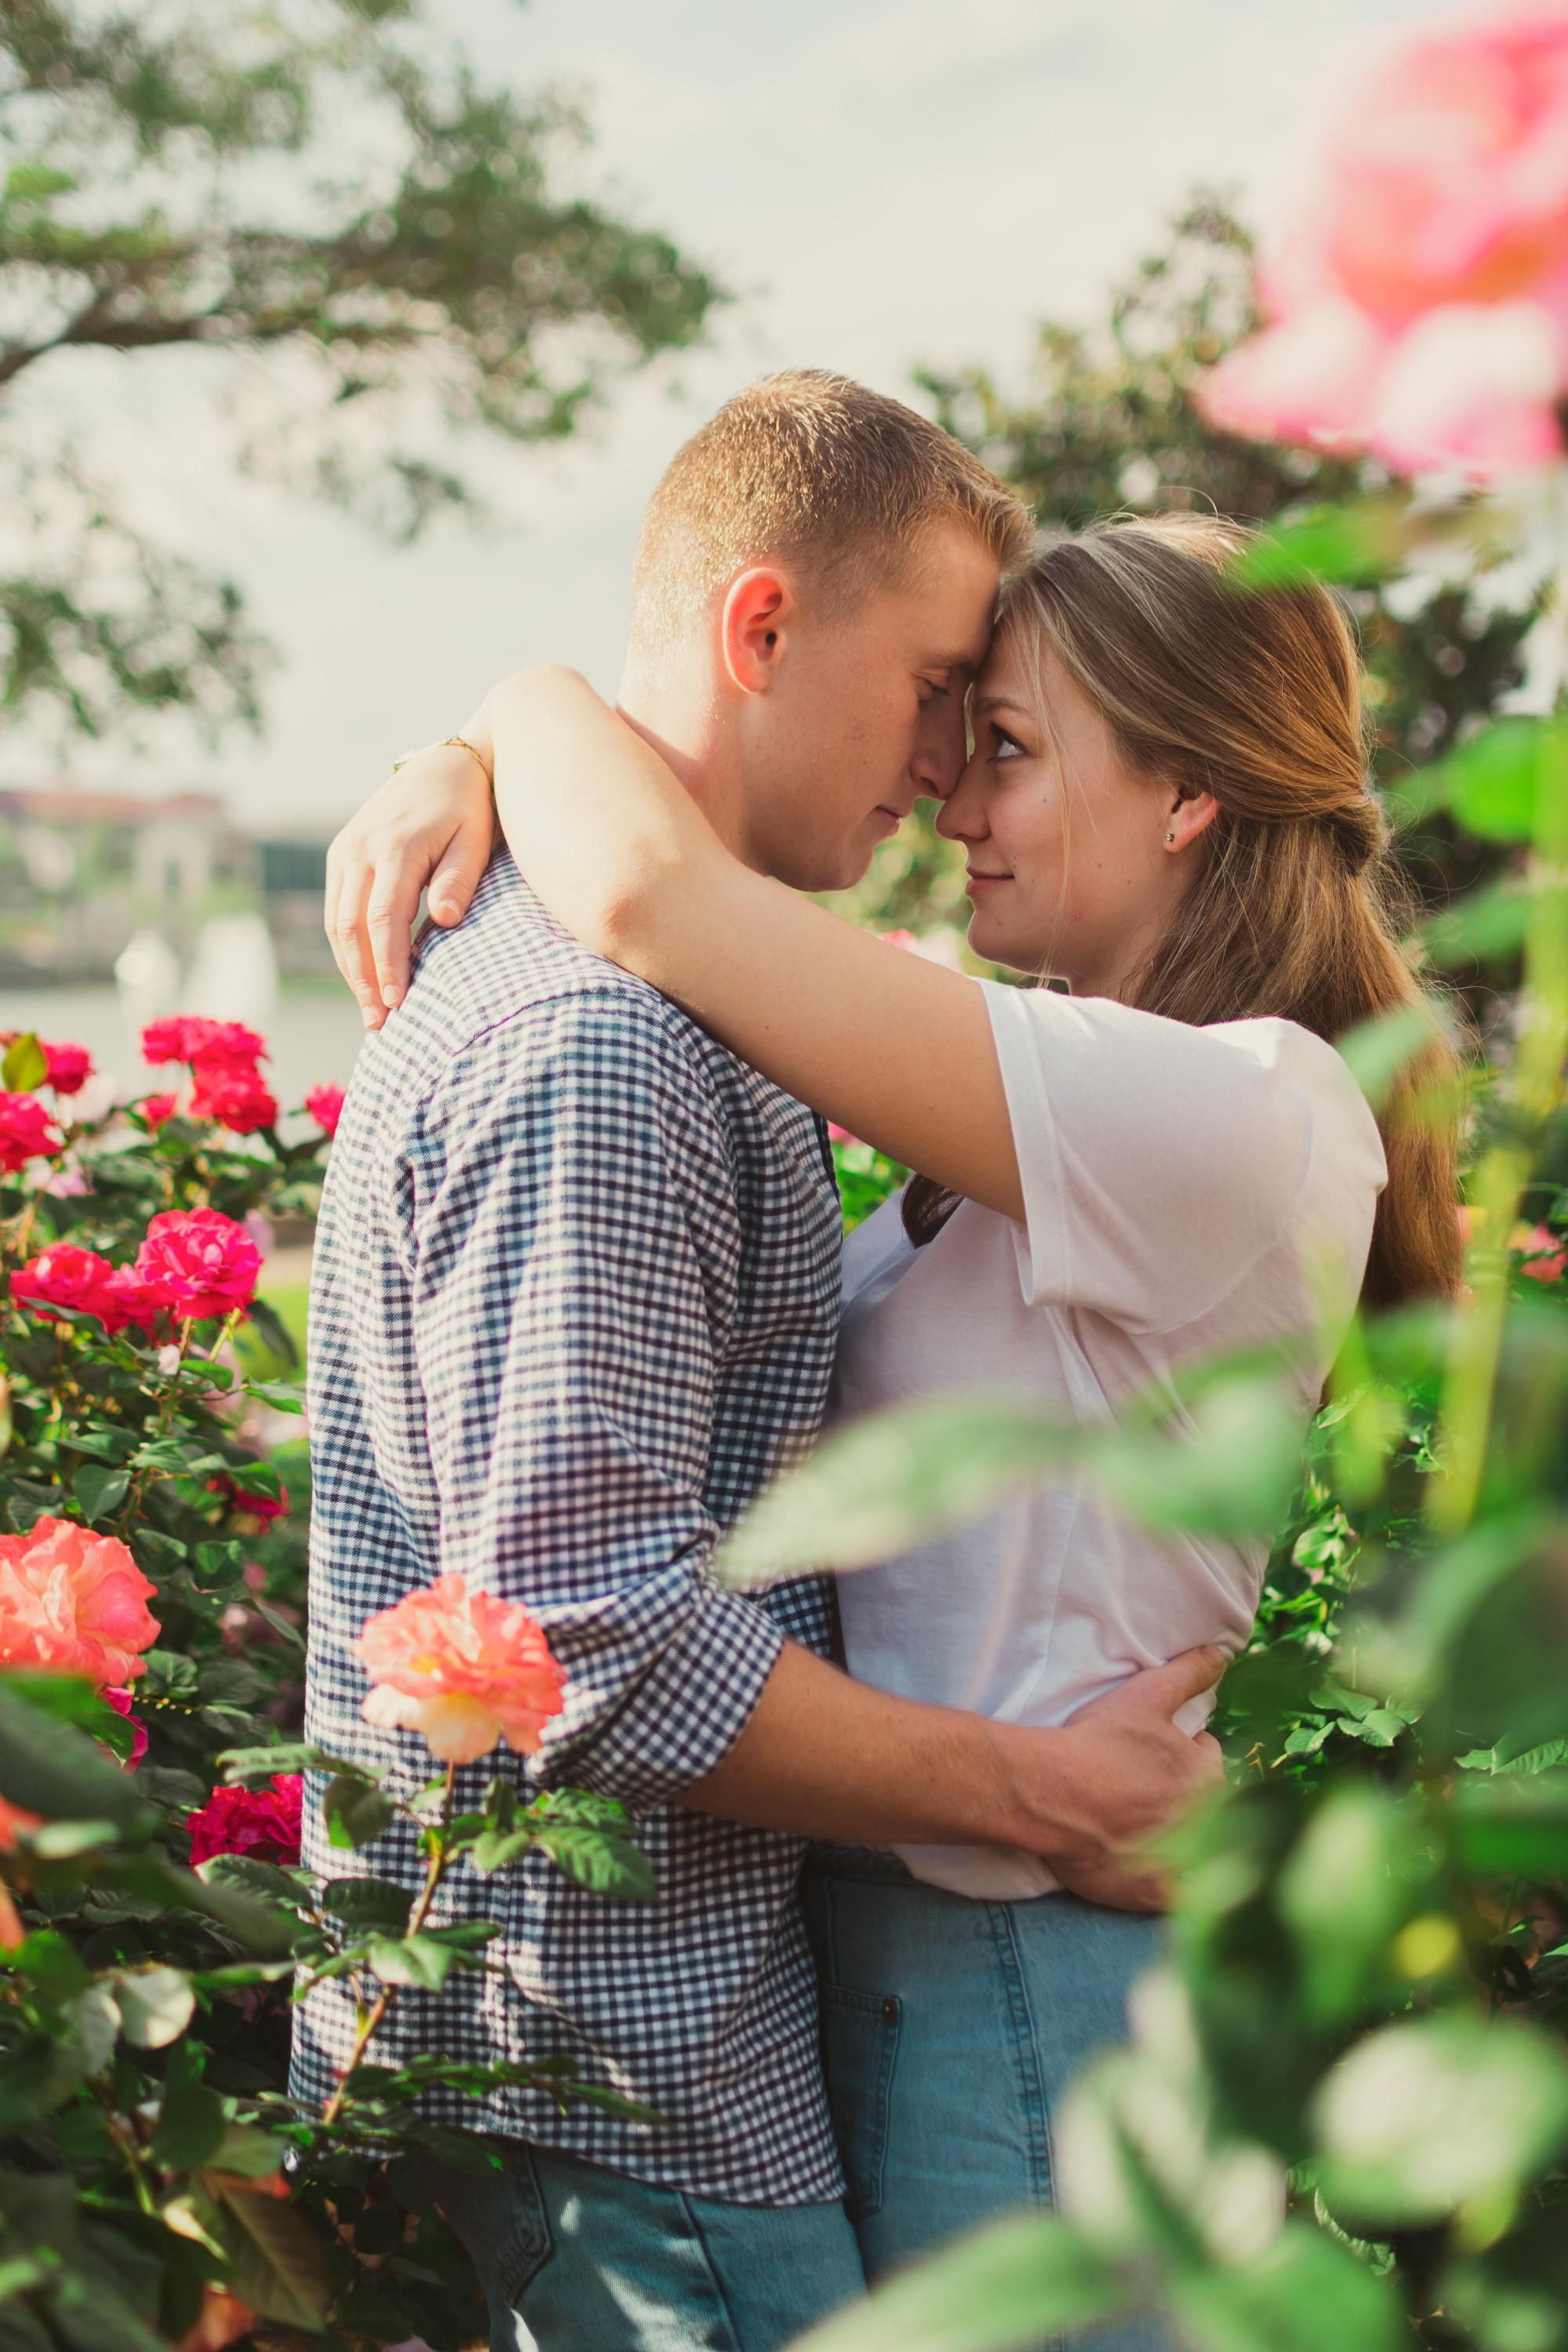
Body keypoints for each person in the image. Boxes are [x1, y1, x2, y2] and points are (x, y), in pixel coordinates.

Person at [330, 507, 1461, 2350]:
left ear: (1184, 792)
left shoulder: (1238, 1108)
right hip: (912, 1952)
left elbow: (654, 901)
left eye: (1005, 748)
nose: (950, 805)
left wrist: (511, 706)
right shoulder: (1055, 1086)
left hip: (1028, 1974)